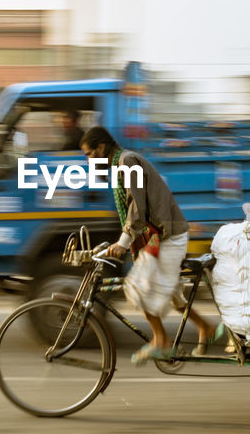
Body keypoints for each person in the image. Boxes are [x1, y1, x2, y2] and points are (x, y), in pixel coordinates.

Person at [80, 126, 225, 363]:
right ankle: (205, 328)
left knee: (137, 286)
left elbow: (137, 208)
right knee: (172, 294)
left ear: (101, 148)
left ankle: (161, 340)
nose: (87, 161)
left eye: (88, 154)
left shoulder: (127, 162)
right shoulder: (121, 164)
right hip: (159, 236)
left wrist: (123, 242)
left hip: (167, 236)